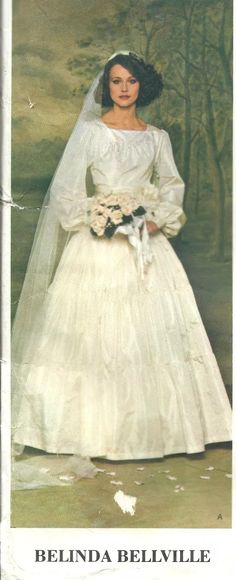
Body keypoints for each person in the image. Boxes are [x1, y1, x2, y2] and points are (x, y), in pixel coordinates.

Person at [12, 51, 231, 462]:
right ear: (106, 86)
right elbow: (65, 189)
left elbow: (170, 185)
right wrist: (93, 218)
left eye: (131, 80)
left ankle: (157, 431)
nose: (124, 88)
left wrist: (156, 220)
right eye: (116, 81)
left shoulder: (156, 137)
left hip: (146, 244)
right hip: (97, 245)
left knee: (153, 330)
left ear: (141, 85)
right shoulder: (93, 133)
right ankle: (88, 431)